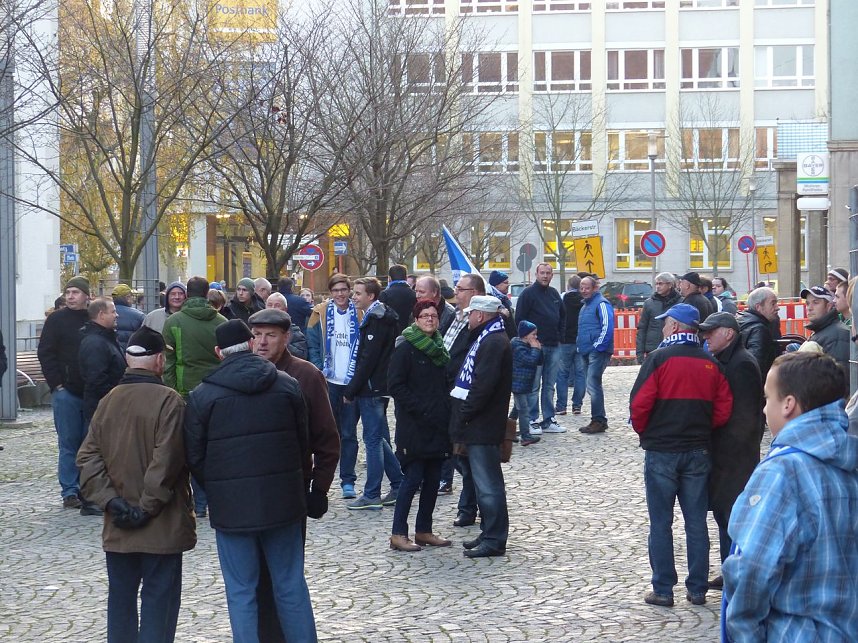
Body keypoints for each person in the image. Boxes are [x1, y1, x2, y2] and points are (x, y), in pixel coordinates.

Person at [184, 320, 317, 642]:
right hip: (283, 502)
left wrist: (218, 488)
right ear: (250, 342)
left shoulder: (202, 396)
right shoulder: (286, 385)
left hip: (232, 508)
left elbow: (195, 457)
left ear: (219, 353)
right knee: (290, 585)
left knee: (241, 591)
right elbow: (304, 445)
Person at [722, 352, 858, 642]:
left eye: (767, 398)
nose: (763, 410)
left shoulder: (782, 472)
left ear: (788, 405)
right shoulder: (849, 461)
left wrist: (744, 634)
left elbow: (753, 568)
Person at [76, 325, 195, 643]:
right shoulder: (169, 401)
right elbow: (166, 460)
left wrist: (112, 503)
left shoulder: (107, 401)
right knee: (159, 603)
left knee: (121, 603)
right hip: (161, 525)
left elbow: (87, 459)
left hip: (118, 526)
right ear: (159, 361)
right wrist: (145, 508)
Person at [630, 303, 733, 607]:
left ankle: (663, 589)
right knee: (696, 522)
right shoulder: (710, 362)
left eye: (666, 323)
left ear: (674, 327)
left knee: (661, 523)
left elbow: (639, 406)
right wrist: (701, 428)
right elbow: (723, 408)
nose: (662, 328)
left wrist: (648, 433)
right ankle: (698, 588)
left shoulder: (659, 359)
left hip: (662, 449)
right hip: (698, 449)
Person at [248, 308, 340, 642]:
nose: (261, 342)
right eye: (256, 334)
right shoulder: (239, 373)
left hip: (290, 490)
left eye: (269, 335)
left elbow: (327, 438)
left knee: (285, 577)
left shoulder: (305, 375)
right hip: (247, 492)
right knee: (253, 577)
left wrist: (320, 487)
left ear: (286, 337)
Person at [697, 312, 763, 590]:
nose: (706, 336)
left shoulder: (741, 363)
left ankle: (735, 573)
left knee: (732, 517)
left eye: (711, 332)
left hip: (736, 458)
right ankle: (729, 570)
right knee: (725, 515)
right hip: (727, 454)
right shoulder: (726, 359)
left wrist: (727, 450)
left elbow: (747, 417)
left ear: (729, 333)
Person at [386, 299, 453, 552]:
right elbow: (395, 385)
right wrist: (420, 408)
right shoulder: (405, 348)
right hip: (414, 425)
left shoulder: (440, 348)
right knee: (412, 479)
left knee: (434, 479)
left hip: (438, 424)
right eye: (424, 315)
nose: (429, 319)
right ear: (415, 319)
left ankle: (424, 530)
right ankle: (398, 533)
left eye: (433, 315)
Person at [450, 295, 513, 558]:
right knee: (482, 482)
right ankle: (488, 531)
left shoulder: (494, 342)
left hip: (483, 424)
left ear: (481, 315)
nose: (467, 318)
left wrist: (465, 413)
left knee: (488, 485)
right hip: (479, 423)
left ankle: (495, 538)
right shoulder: (486, 337)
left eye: (471, 314)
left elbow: (483, 385)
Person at [161, 276, 227, 518]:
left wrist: (170, 391)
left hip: (184, 392)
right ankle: (210, 499)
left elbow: (168, 362)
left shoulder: (174, 322)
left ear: (187, 295)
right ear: (208, 293)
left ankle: (194, 503)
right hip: (215, 392)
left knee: (187, 449)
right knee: (211, 448)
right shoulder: (221, 321)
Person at [343, 277, 404, 510]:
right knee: (378, 438)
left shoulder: (377, 320)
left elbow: (368, 359)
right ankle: (398, 483)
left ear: (371, 296)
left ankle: (372, 493)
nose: (354, 297)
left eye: (358, 293)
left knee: (372, 441)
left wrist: (351, 389)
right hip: (375, 386)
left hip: (372, 387)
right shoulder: (378, 316)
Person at [306, 274, 363, 499]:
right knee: (329, 433)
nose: (340, 294)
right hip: (328, 381)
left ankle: (348, 480)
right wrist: (319, 368)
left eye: (344, 290)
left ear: (349, 291)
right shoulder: (319, 313)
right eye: (335, 290)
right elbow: (312, 343)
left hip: (352, 382)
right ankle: (322, 480)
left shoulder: (359, 312)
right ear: (330, 292)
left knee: (349, 433)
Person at [37, 276, 91, 510]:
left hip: (91, 391)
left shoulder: (93, 318)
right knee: (68, 443)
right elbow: (46, 352)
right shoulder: (56, 320)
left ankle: (89, 487)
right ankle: (70, 490)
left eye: (75, 292)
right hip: (66, 392)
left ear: (86, 296)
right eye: (68, 292)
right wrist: (56, 384)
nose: (70, 296)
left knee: (90, 443)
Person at [440, 273, 485, 516]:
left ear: (475, 294)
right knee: (455, 450)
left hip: (463, 393)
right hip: (446, 391)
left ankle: (468, 506)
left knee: (463, 453)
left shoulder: (480, 321)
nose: (456, 292)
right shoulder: (453, 315)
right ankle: (469, 503)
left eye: (461, 289)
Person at [514, 262, 565, 434]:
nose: (545, 276)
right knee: (533, 384)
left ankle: (548, 419)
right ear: (536, 274)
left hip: (553, 345)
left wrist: (560, 337)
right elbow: (519, 319)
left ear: (552, 275)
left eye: (548, 273)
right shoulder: (527, 294)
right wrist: (528, 342)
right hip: (534, 347)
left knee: (550, 385)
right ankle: (532, 419)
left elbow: (563, 317)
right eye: (542, 273)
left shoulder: (554, 294)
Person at [576, 275, 614, 434]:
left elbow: (608, 326)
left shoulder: (602, 304)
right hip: (586, 350)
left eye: (587, 287)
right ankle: (598, 419)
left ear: (595, 288)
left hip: (596, 351)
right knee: (592, 385)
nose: (584, 290)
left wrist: (598, 346)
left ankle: (598, 420)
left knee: (593, 385)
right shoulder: (585, 306)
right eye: (582, 287)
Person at [79, 297, 124, 423]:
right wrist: (117, 398)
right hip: (104, 411)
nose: (117, 315)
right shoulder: (95, 343)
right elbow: (96, 380)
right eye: (113, 312)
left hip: (110, 407)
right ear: (101, 315)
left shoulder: (107, 338)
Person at [801, 285, 850, 388]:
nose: (809, 308)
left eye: (816, 302)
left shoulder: (838, 334)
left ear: (828, 306)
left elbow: (843, 379)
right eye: (807, 303)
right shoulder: (822, 331)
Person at [737, 287, 780, 382]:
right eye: (773, 303)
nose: (777, 307)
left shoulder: (742, 320)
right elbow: (756, 366)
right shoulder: (759, 329)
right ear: (758, 307)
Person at [556, 275, 585, 415]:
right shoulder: (585, 301)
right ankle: (577, 405)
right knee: (580, 374)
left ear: (568, 286)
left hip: (565, 341)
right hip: (580, 341)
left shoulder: (562, 300)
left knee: (562, 374)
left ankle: (561, 406)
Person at [636, 272, 681, 364]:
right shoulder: (649, 303)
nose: (657, 286)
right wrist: (639, 352)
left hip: (673, 348)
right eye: (656, 284)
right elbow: (642, 328)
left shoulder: (681, 302)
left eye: (660, 283)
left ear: (670, 285)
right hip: (653, 348)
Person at [511, 321, 542, 446]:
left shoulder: (525, 345)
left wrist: (537, 349)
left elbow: (538, 360)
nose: (535, 337)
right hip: (518, 383)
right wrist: (535, 349)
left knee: (517, 409)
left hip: (523, 383)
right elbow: (530, 361)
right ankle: (525, 436)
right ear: (525, 336)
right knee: (523, 409)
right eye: (533, 335)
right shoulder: (518, 347)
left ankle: (508, 432)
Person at [379, 264, 417, 335]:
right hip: (411, 334)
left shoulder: (384, 295)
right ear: (406, 278)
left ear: (389, 278)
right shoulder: (415, 295)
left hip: (390, 335)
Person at [112, 284, 144, 352]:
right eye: (132, 296)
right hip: (131, 354)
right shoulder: (139, 315)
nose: (133, 298)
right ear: (128, 297)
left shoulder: (106, 313)